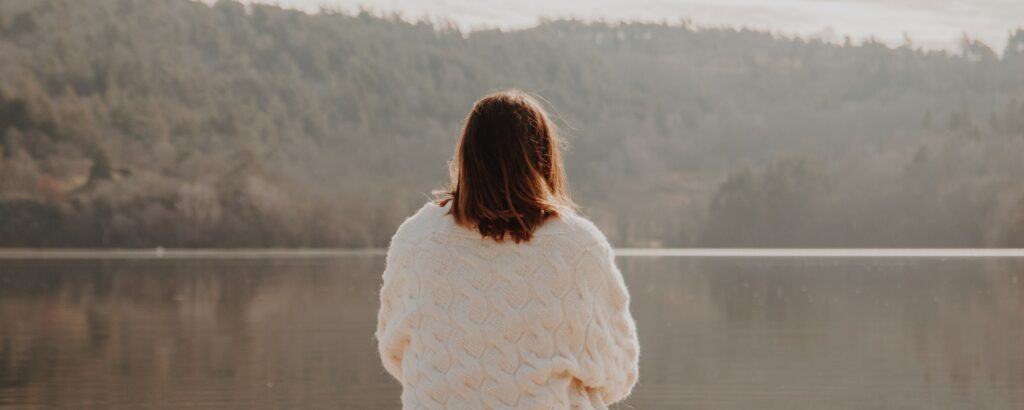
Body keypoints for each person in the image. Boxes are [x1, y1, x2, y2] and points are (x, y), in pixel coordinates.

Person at [376, 90, 639, 409]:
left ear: (467, 157)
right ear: (544, 157)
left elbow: (394, 353)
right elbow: (618, 373)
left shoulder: (416, 237)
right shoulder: (578, 245)